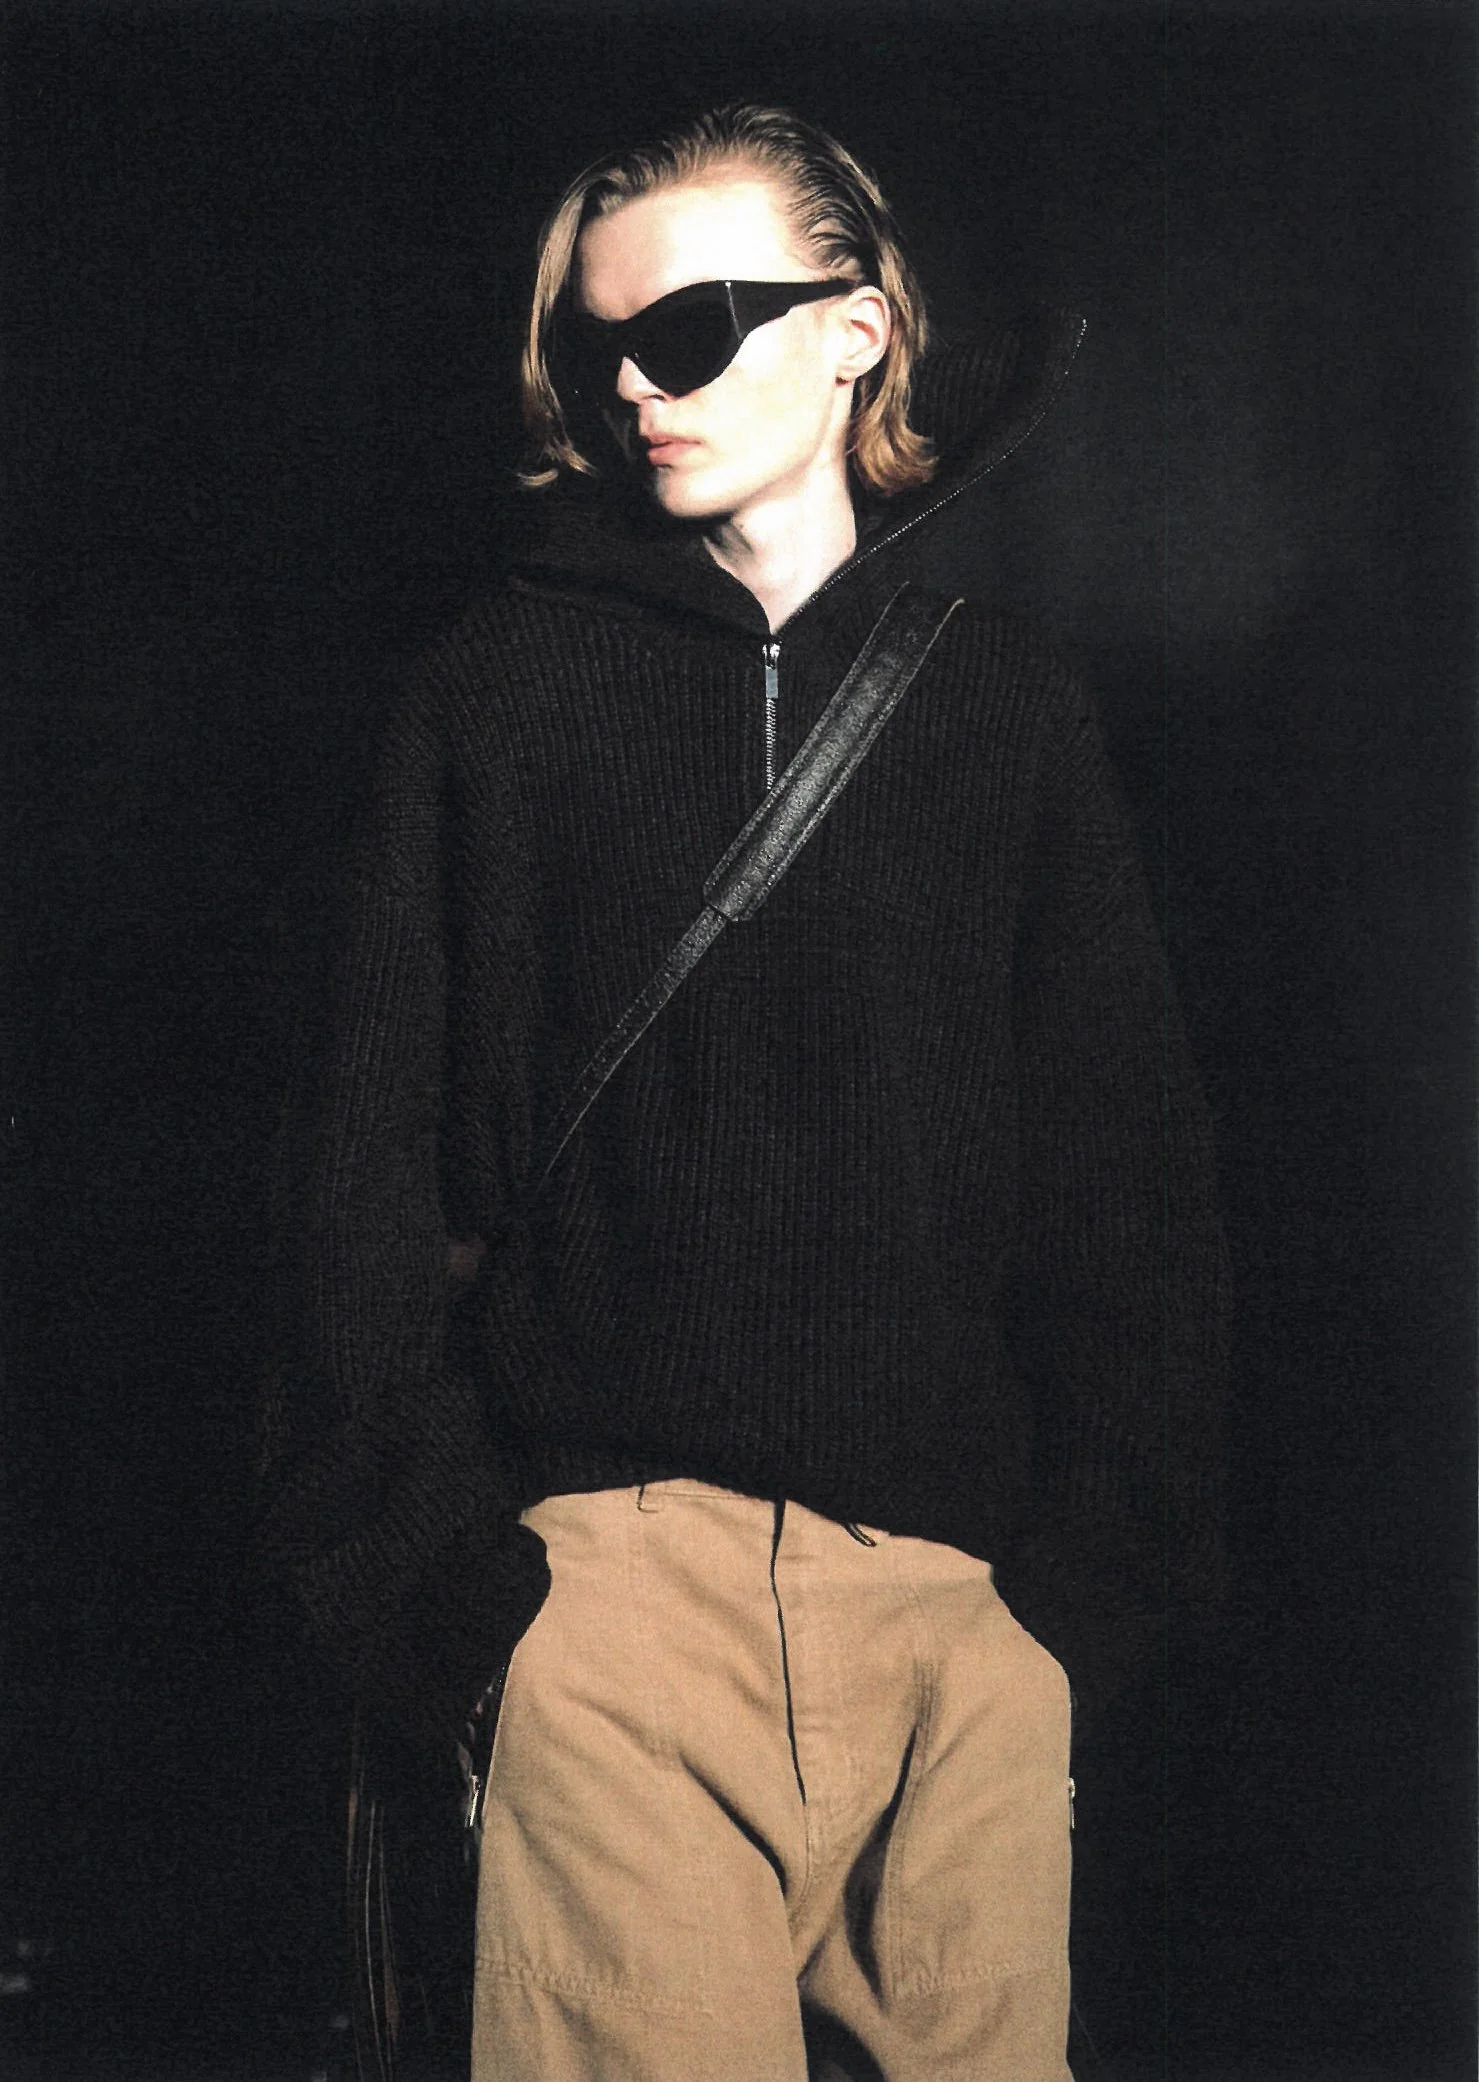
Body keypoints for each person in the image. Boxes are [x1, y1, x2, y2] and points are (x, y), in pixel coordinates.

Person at [259, 101, 1227, 2082]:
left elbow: (1128, 1188)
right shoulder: (492, 692)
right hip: (603, 1615)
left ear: (856, 333)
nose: (635, 383)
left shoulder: (1005, 706)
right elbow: (352, 1186)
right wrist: (473, 1616)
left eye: (689, 327)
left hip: (960, 1622)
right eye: (598, 344)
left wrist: (1065, 1616)